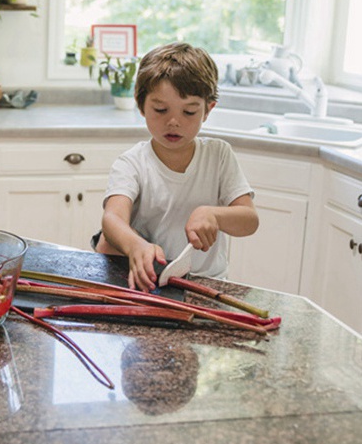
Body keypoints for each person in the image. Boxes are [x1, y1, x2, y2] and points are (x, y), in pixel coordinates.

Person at [94, 42, 258, 292]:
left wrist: (214, 215)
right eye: (160, 109)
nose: (173, 122)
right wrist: (134, 245)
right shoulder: (132, 163)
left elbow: (249, 220)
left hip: (208, 284)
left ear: (207, 110)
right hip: (149, 283)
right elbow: (113, 218)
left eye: (189, 112)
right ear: (141, 106)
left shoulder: (219, 155)